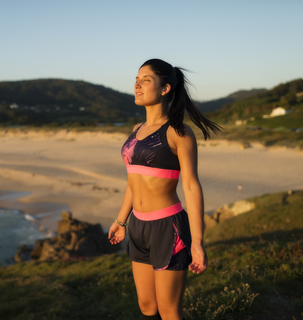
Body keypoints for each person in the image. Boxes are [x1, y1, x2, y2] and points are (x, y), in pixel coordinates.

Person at [108, 59, 221, 320]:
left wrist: (197, 242)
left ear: (165, 88)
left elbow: (191, 186)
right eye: (136, 79)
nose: (137, 84)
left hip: (167, 227)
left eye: (146, 79)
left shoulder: (178, 132)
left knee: (170, 310)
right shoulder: (136, 130)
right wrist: (120, 220)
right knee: (147, 307)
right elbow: (133, 182)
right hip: (138, 225)